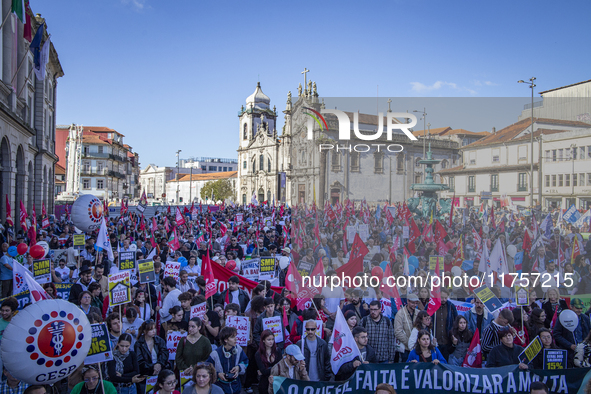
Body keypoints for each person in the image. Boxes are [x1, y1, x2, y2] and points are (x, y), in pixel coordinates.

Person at [206, 326, 248, 394]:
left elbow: (245, 362)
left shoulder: (239, 349)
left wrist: (238, 367)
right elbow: (208, 369)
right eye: (232, 337)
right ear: (225, 340)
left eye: (235, 336)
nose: (235, 339)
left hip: (236, 387)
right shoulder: (215, 354)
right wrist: (218, 374)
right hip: (220, 388)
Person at [554, 298, 591, 368]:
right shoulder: (563, 318)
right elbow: (556, 334)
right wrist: (570, 345)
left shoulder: (585, 318)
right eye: (577, 308)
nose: (579, 310)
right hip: (568, 352)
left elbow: (588, 333)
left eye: (581, 308)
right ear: (571, 306)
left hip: (583, 352)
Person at [433, 288, 458, 360]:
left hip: (447, 342)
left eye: (445, 298)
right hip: (434, 342)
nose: (443, 299)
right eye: (442, 297)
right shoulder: (431, 306)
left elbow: (456, 321)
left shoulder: (451, 307)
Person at [254, 330, 282, 394]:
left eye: (272, 339)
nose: (271, 342)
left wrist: (268, 370)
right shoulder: (258, 354)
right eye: (268, 340)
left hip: (277, 381)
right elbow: (264, 371)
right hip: (264, 383)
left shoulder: (277, 351)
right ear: (263, 340)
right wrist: (274, 369)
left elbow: (280, 367)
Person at [394, 294, 419, 361]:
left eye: (416, 303)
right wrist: (410, 343)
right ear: (408, 301)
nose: (415, 305)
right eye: (413, 303)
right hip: (405, 348)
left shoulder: (418, 313)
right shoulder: (400, 313)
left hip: (417, 347)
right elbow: (398, 332)